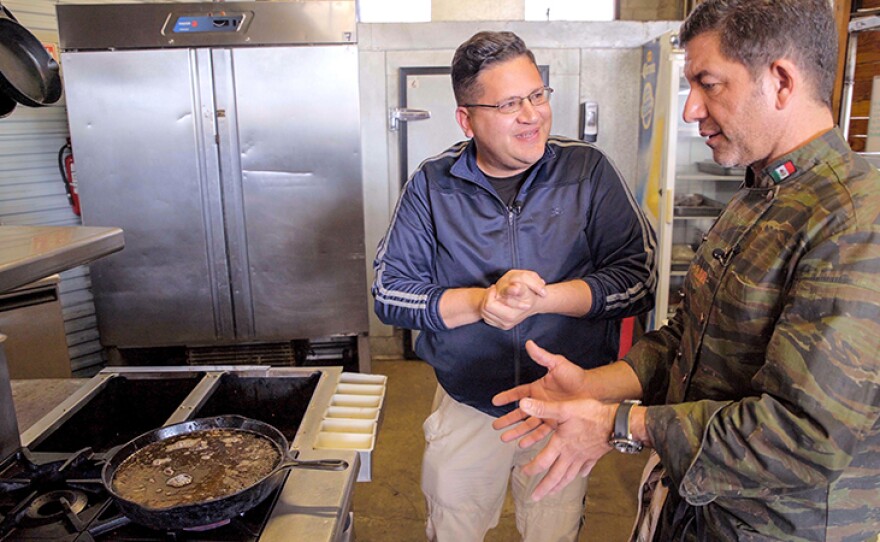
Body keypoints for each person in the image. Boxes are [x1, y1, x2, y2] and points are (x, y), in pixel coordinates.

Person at [492, 1, 880, 541]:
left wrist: (620, 425)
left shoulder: (854, 223)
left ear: (781, 81)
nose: (690, 109)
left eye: (709, 83)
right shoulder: (758, 194)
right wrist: (596, 385)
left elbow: (803, 435)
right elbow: (687, 340)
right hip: (699, 515)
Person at [372, 31, 657, 542]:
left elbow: (637, 280)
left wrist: (546, 299)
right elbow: (390, 292)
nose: (532, 115)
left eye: (538, 94)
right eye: (508, 103)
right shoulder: (433, 185)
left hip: (565, 400)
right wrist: (482, 304)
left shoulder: (586, 171)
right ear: (467, 118)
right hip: (468, 401)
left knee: (554, 529)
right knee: (453, 525)